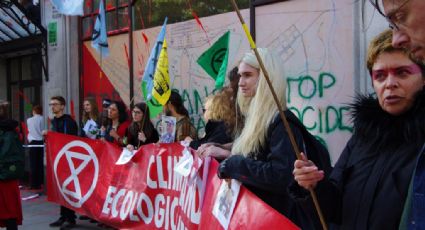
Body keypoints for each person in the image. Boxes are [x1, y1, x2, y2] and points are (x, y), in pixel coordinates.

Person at [292, 29, 425, 229]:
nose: (390, 84)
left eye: (402, 72)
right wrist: (314, 185)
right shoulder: (362, 137)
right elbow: (335, 207)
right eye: (380, 76)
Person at [199, 48, 325, 229]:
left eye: (248, 75)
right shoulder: (259, 118)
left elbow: (280, 175)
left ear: (267, 77)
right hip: (259, 218)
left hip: (277, 220)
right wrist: (223, 148)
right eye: (240, 75)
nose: (241, 82)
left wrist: (233, 163)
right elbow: (258, 152)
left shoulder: (281, 123)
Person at [47, 96, 79, 229]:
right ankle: (63, 216)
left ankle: (70, 218)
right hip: (58, 159)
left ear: (62, 106)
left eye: (55, 104)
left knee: (69, 189)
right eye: (51, 104)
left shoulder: (68, 121)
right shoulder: (55, 121)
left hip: (68, 160)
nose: (52, 106)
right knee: (62, 189)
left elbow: (69, 140)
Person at [0, 101, 24, 230]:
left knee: (9, 212)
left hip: (5, 177)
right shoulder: (12, 130)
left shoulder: (8, 132)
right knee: (9, 211)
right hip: (7, 177)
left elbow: (5, 155)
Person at [27, 104, 44, 190]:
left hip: (33, 142)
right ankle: (41, 182)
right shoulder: (42, 119)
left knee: (33, 164)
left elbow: (29, 130)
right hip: (41, 141)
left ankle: (33, 184)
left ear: (34, 111)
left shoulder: (29, 120)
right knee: (40, 163)